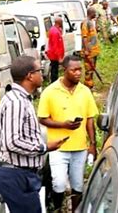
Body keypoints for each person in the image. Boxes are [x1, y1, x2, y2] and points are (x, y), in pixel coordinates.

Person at [0, 56, 67, 213]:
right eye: (39, 71)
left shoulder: (22, 99)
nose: (42, 74)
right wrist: (43, 147)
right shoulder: (16, 102)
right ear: (30, 75)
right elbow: (12, 141)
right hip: (16, 175)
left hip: (23, 174)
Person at [38, 55, 99, 212]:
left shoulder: (85, 91)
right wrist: (63, 125)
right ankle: (58, 208)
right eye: (74, 70)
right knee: (58, 183)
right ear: (64, 71)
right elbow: (43, 118)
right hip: (57, 147)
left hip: (79, 147)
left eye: (80, 69)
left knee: (78, 185)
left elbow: (90, 119)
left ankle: (76, 210)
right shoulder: (50, 92)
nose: (78, 73)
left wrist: (92, 144)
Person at [81, 7, 100, 89]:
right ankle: (88, 86)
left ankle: (91, 85)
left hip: (94, 51)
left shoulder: (91, 22)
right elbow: (84, 37)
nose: (95, 15)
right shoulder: (85, 23)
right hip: (89, 51)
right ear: (91, 13)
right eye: (94, 13)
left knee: (92, 68)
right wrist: (86, 50)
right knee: (89, 69)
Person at [46, 17, 65, 83]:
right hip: (54, 55)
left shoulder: (55, 30)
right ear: (59, 22)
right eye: (61, 22)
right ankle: (54, 83)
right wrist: (59, 57)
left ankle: (54, 82)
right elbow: (55, 46)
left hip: (54, 54)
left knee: (55, 70)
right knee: (54, 71)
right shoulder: (55, 32)